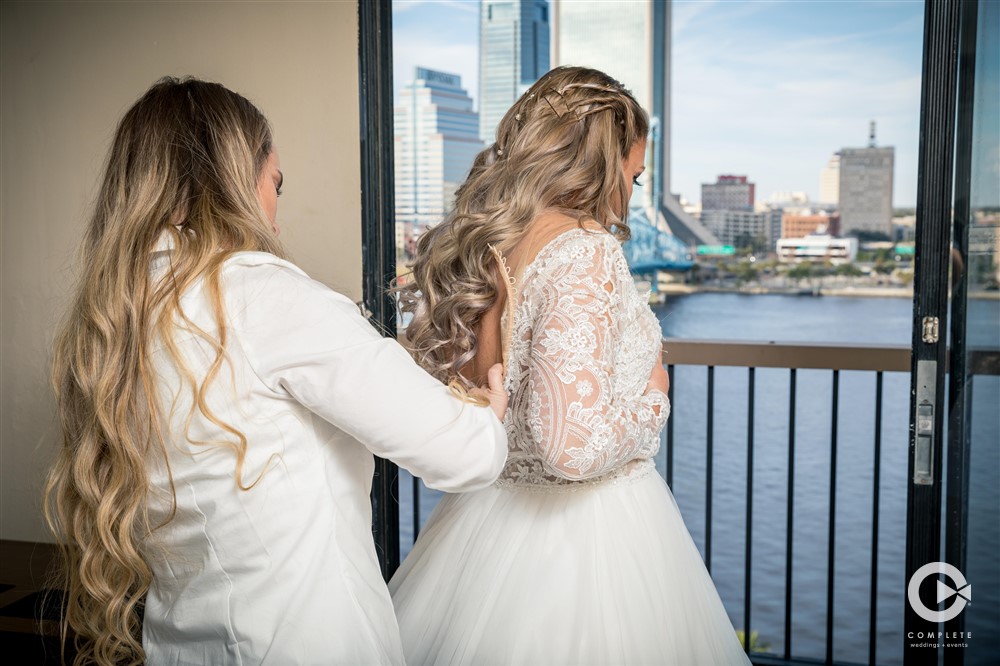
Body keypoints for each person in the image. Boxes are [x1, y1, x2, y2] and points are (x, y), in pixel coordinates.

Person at [43, 77, 508, 666]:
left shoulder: (116, 319)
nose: (276, 217)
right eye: (274, 185)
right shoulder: (263, 295)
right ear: (234, 182)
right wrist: (486, 417)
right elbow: (461, 455)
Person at [389, 66, 752, 665]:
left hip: (488, 524)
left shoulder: (497, 243)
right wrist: (654, 399)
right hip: (588, 540)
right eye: (632, 175)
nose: (632, 192)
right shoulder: (585, 251)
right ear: (601, 164)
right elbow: (571, 450)